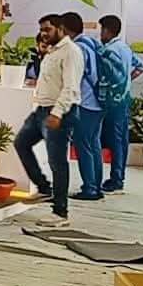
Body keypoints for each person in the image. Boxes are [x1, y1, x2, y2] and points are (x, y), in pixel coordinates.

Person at [15, 13, 82, 227]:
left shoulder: (71, 52)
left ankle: (60, 212)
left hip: (59, 111)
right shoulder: (52, 51)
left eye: (47, 29)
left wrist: (57, 113)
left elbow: (71, 88)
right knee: (21, 143)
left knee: (57, 162)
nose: (43, 34)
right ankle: (44, 188)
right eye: (41, 30)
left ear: (60, 29)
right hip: (41, 110)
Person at [98, 14, 143, 193]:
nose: (100, 34)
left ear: (107, 30)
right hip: (124, 99)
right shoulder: (125, 48)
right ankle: (118, 176)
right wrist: (127, 80)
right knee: (120, 139)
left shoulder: (108, 50)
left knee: (114, 140)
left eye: (101, 30)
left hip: (111, 100)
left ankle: (116, 179)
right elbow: (141, 66)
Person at [61, 12, 104, 202]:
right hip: (99, 101)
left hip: (85, 102)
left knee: (83, 145)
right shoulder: (92, 43)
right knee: (93, 144)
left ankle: (90, 188)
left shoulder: (76, 48)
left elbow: (74, 79)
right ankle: (96, 185)